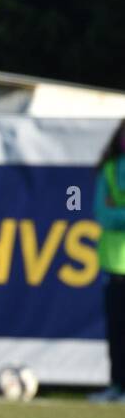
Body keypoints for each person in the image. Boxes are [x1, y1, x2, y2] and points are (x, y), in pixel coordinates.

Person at [90, 119, 125, 403]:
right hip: (115, 264)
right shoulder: (110, 170)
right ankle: (117, 385)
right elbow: (103, 215)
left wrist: (118, 210)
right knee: (117, 332)